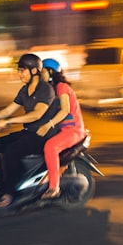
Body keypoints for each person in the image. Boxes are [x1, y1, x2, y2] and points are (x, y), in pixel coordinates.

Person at [0, 53, 58, 208]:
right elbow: (8, 110)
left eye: (22, 70)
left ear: (34, 71)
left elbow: (36, 114)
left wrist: (8, 121)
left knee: (11, 152)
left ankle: (10, 194)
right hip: (28, 132)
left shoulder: (45, 90)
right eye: (18, 70)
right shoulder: (24, 90)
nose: (19, 74)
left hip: (42, 135)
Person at [35, 57, 85, 199]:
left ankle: (54, 187)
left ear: (51, 72)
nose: (41, 75)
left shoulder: (62, 87)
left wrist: (48, 124)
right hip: (62, 130)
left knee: (51, 146)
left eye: (43, 71)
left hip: (73, 131)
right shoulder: (50, 90)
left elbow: (64, 110)